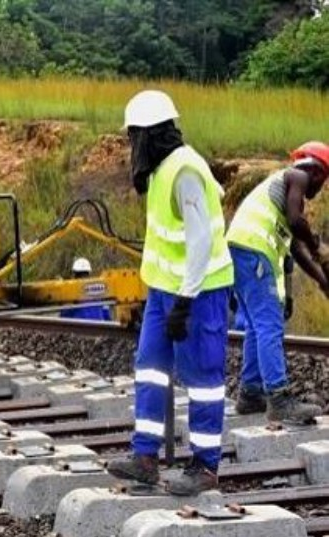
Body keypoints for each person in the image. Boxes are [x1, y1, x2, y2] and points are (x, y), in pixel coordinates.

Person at [106, 90, 234, 496]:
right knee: (150, 368)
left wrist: (184, 299)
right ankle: (145, 457)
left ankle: (204, 465)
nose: (131, 148)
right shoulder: (164, 169)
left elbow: (198, 242)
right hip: (166, 293)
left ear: (146, 135)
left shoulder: (185, 171)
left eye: (132, 138)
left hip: (198, 293)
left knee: (202, 378)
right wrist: (163, 296)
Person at [227, 142, 329, 423]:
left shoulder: (282, 194)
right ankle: (279, 399)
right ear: (318, 173)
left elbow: (295, 249)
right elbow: (298, 224)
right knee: (269, 325)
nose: (319, 187)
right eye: (324, 180)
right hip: (253, 252)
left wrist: (323, 281)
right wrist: (317, 243)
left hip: (241, 251)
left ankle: (250, 394)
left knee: (256, 326)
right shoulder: (297, 176)